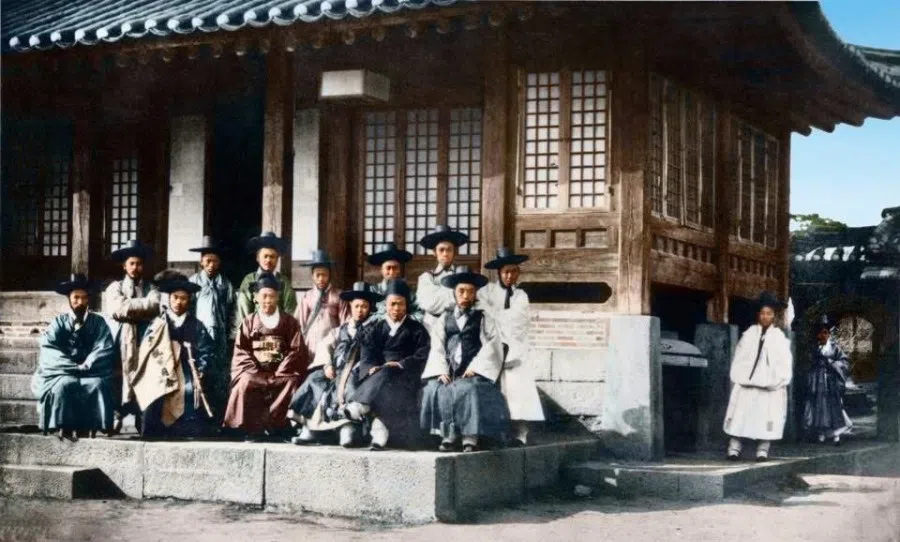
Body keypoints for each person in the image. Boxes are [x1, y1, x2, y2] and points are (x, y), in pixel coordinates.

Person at [421, 266, 510, 452]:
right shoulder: (445, 318)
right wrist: (441, 370)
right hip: (451, 369)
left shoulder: (483, 317)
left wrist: (476, 367)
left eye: (470, 292)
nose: (466, 296)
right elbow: (437, 345)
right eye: (461, 291)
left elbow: (492, 344)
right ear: (454, 293)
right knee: (435, 388)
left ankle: (470, 437)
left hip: (473, 370)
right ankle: (448, 435)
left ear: (475, 293)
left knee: (468, 388)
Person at [288, 281, 382, 447]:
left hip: (359, 371)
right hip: (336, 369)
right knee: (314, 381)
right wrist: (327, 365)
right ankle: (310, 430)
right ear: (351, 307)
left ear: (370, 308)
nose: (360, 311)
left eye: (364, 306)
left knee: (350, 387)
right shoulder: (342, 329)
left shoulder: (375, 329)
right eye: (356, 306)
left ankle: (348, 429)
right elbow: (325, 345)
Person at [343, 279, 430, 451]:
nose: (396, 308)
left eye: (400, 304)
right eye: (392, 304)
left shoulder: (416, 329)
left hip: (407, 375)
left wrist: (400, 364)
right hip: (381, 376)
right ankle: (378, 434)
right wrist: (372, 368)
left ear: (406, 306)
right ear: (386, 305)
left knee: (390, 370)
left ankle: (362, 405)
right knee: (384, 373)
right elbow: (367, 352)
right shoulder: (376, 327)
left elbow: (423, 354)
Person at [32, 274, 116, 441]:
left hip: (91, 371)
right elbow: (49, 348)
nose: (80, 302)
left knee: (97, 384)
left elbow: (104, 347)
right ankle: (64, 428)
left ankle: (90, 428)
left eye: (84, 298)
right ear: (69, 299)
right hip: (62, 371)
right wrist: (70, 366)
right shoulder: (58, 322)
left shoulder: (98, 322)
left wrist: (87, 364)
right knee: (64, 384)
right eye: (76, 297)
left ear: (89, 300)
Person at [224, 272, 307, 441]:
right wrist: (256, 370)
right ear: (256, 298)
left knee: (291, 382)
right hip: (255, 371)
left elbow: (296, 349)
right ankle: (252, 429)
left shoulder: (289, 322)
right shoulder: (248, 322)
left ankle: (279, 427)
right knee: (246, 381)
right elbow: (242, 350)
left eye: (272, 296)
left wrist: (282, 369)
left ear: (278, 298)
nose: (267, 301)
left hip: (281, 371)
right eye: (264, 296)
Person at [135, 273, 216, 439]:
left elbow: (206, 350)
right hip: (162, 367)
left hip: (187, 367)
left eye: (184, 298)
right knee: (155, 386)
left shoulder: (196, 325)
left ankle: (181, 430)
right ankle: (154, 429)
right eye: (175, 297)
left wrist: (201, 368)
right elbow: (147, 348)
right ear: (169, 298)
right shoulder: (158, 323)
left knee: (188, 389)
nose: (179, 302)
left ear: (189, 301)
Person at [479, 247, 545, 446]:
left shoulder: (521, 296)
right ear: (499, 272)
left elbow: (518, 321)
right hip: (491, 344)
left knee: (517, 385)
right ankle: (494, 432)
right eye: (506, 272)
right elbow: (483, 316)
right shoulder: (486, 291)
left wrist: (495, 315)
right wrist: (495, 318)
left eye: (514, 271)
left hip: (515, 346)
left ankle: (520, 432)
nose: (510, 276)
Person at [723, 291, 794, 461]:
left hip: (768, 385)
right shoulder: (749, 335)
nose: (765, 317)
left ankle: (762, 450)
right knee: (741, 414)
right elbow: (740, 357)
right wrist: (743, 374)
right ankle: (734, 448)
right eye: (762, 313)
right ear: (758, 315)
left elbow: (784, 362)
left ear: (774, 316)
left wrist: (774, 378)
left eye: (769, 313)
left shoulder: (779, 338)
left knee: (766, 416)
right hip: (748, 383)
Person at [102, 239, 160, 434]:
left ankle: (140, 416)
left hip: (144, 338)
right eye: (131, 264)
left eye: (139, 264)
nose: (135, 268)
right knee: (119, 377)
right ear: (124, 265)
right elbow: (118, 309)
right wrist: (140, 307)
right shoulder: (114, 287)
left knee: (143, 375)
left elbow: (155, 306)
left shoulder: (151, 288)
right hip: (121, 341)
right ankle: (117, 416)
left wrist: (131, 306)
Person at [188, 236, 236, 419]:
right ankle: (199, 416)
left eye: (215, 261)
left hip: (221, 336)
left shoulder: (226, 284)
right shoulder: (194, 282)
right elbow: (190, 310)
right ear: (201, 261)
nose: (211, 265)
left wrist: (231, 335)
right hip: (200, 336)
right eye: (208, 261)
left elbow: (232, 311)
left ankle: (219, 417)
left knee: (220, 375)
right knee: (202, 372)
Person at [234, 231, 298, 336]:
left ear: (277, 259)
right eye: (265, 256)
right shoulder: (249, 280)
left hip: (279, 334)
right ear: (258, 258)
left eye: (272, 257)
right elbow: (243, 311)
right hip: (253, 334)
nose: (268, 260)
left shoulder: (284, 282)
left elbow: (290, 312)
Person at [803, 316, 853, 445]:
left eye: (825, 332)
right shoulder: (815, 349)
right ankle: (821, 434)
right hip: (818, 382)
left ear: (829, 334)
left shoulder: (835, 348)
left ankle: (836, 435)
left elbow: (844, 362)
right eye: (820, 333)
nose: (823, 335)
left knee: (833, 408)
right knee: (819, 408)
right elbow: (808, 364)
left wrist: (832, 363)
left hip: (831, 383)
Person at [294, 249, 350, 360]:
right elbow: (300, 323)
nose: (321, 279)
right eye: (317, 275)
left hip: (331, 343)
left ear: (329, 275)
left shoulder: (339, 296)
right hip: (310, 344)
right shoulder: (307, 296)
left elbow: (345, 323)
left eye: (324, 275)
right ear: (312, 276)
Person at [416, 225, 468, 331]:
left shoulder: (464, 276)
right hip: (432, 326)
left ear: (454, 252)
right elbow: (429, 304)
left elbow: (468, 301)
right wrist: (456, 295)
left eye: (449, 250)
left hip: (458, 325)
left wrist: (440, 293)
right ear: (435, 252)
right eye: (441, 250)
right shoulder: (426, 277)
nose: (445, 254)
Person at [367, 242, 423, 321]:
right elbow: (365, 315)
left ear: (399, 270)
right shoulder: (373, 290)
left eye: (395, 268)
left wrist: (404, 318)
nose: (391, 271)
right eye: (388, 268)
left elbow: (420, 313)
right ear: (381, 270)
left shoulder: (408, 291)